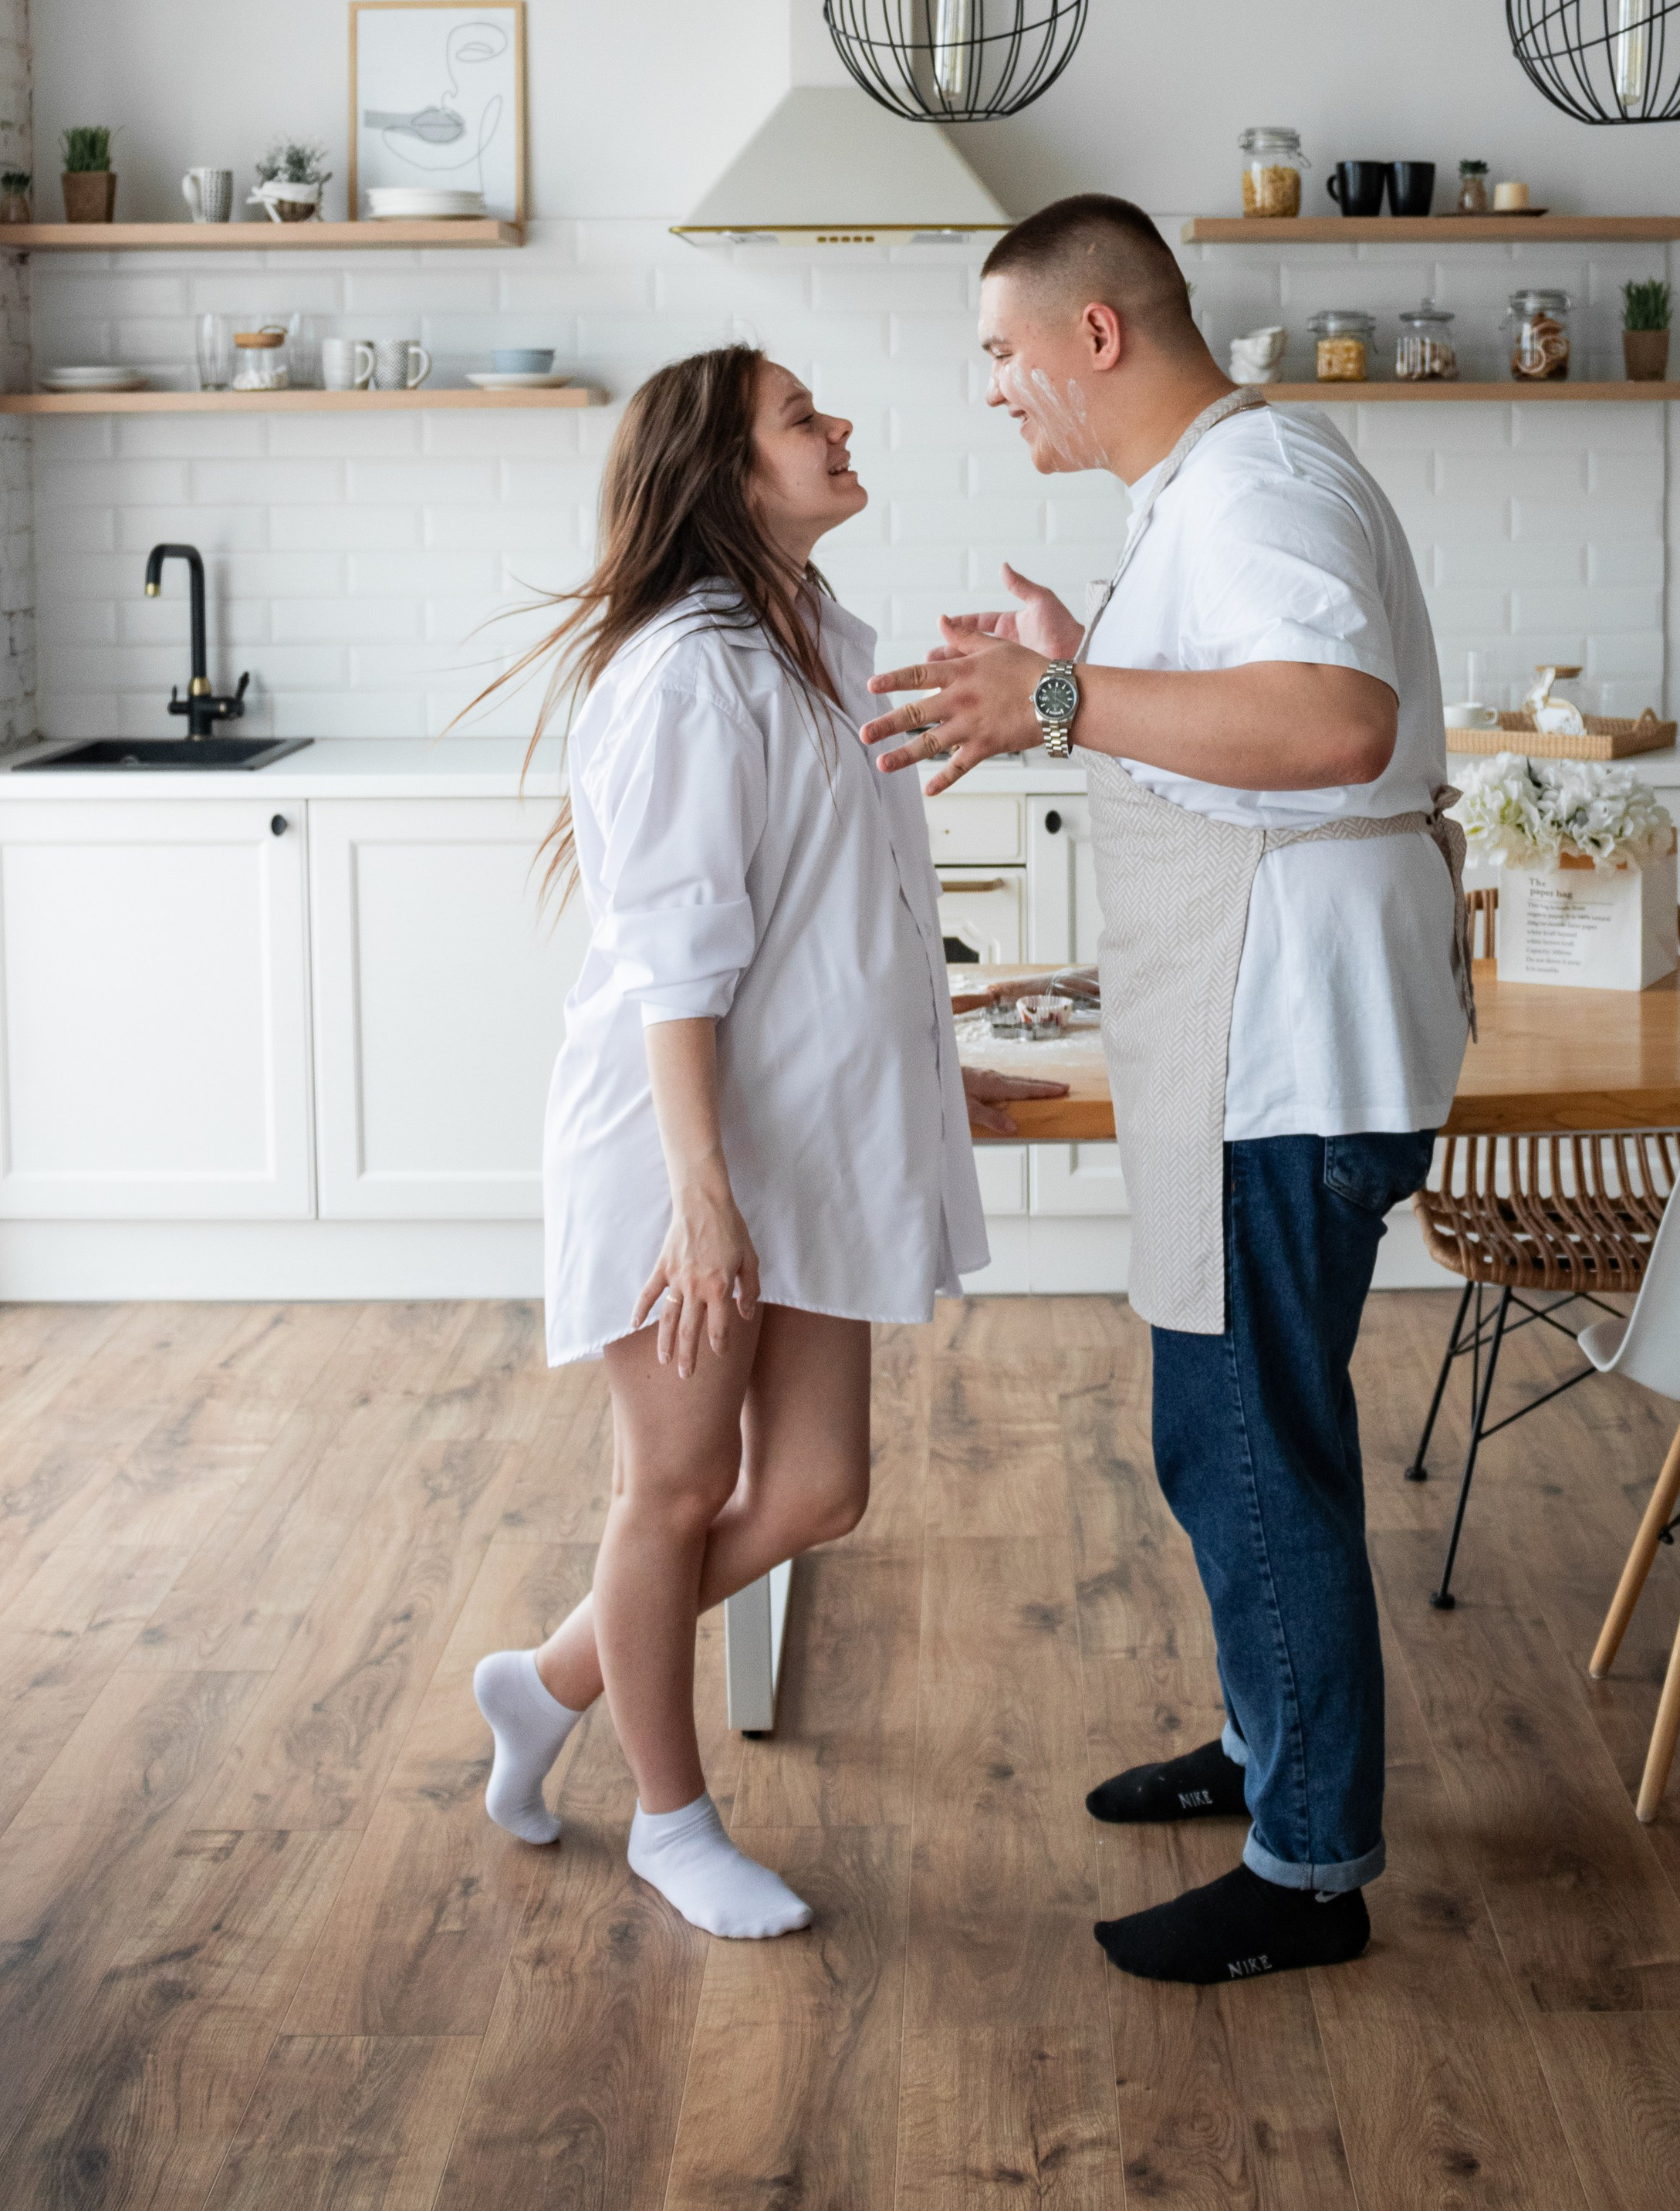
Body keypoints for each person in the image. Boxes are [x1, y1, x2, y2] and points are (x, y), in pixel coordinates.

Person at [863, 195, 1472, 1986]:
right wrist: (1091, 651)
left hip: (1284, 1044)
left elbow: (1332, 723)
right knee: (1227, 1434)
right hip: (1262, 1034)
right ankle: (1266, 1747)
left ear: (1096, 335)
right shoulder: (1205, 490)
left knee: (1246, 1444)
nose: (994, 391)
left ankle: (1307, 1868)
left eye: (1001, 353)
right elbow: (1237, 705)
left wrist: (1059, 686)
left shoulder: (1257, 480)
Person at [469, 344, 1062, 1941]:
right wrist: (700, 1197)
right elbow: (675, 959)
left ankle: (546, 1684)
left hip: (803, 1129)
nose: (839, 424)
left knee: (813, 1491)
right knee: (672, 1490)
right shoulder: (686, 672)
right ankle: (669, 1821)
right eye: (801, 418)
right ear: (728, 475)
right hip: (692, 1145)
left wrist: (932, 1070)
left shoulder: (815, 633)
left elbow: (843, 920)